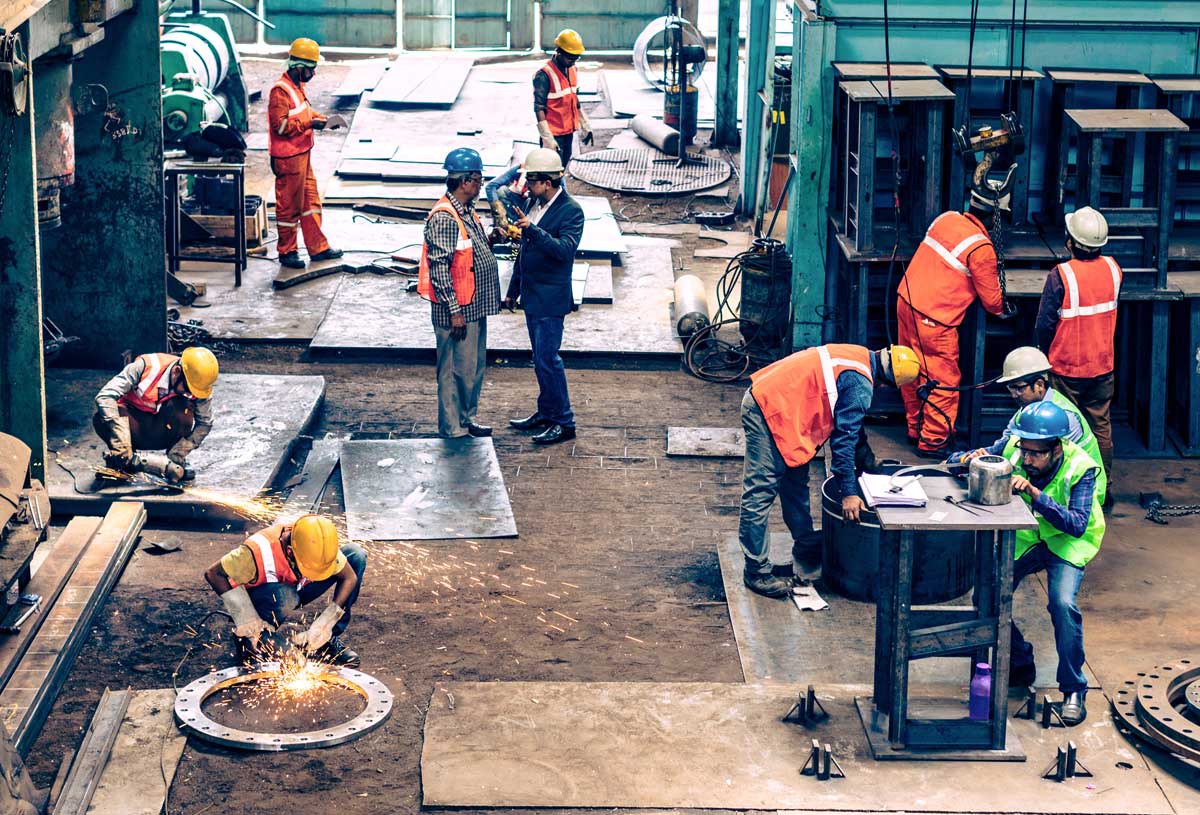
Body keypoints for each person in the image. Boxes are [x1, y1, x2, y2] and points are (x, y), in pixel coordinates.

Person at [738, 344, 920, 598]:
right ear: (886, 385)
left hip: (789, 408)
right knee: (761, 490)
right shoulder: (861, 384)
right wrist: (848, 492)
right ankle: (756, 570)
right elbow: (843, 440)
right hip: (768, 408)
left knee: (795, 483)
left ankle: (805, 544)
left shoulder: (859, 356)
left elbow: (851, 424)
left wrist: (868, 461)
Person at [1001, 401, 1104, 725]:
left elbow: (1075, 523)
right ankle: (1019, 664)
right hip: (1031, 537)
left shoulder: (1081, 467)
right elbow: (986, 453)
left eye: (1036, 454)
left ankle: (1074, 690)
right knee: (989, 595)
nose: (1026, 459)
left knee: (1062, 605)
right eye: (1024, 450)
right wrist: (967, 459)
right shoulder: (1018, 450)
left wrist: (1033, 493)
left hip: (1066, 541)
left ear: (1056, 448)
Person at [896, 192, 1006, 456]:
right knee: (942, 379)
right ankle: (934, 441)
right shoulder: (981, 249)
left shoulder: (945, 219)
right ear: (995, 215)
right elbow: (993, 302)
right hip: (935, 319)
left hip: (906, 301)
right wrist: (1005, 309)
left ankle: (915, 430)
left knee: (910, 370)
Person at [947, 346, 1106, 505]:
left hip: (1081, 495)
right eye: (1011, 387)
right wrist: (966, 459)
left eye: (1019, 388)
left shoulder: (1064, 418)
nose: (1013, 394)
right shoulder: (1026, 413)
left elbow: (1046, 468)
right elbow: (1003, 448)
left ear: (1039, 385)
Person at [502, 148, 585, 445]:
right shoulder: (534, 204)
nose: (528, 187)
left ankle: (564, 421)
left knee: (549, 360)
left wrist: (533, 230)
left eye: (533, 181)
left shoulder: (571, 211)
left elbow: (564, 251)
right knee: (539, 360)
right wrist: (513, 289)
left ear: (548, 181)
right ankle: (546, 411)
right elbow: (523, 252)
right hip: (533, 296)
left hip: (551, 298)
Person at [204, 514, 366, 667]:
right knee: (284, 595)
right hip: (265, 600)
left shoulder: (318, 545)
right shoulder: (256, 551)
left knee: (355, 555)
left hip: (297, 589)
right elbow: (213, 573)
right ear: (290, 551)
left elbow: (349, 577)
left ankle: (325, 641)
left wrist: (326, 624)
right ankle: (250, 642)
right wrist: (245, 617)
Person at [1036, 206, 1121, 496]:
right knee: (1100, 426)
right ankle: (1103, 487)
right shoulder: (1114, 269)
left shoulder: (1061, 276)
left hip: (1067, 368)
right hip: (1102, 365)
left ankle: (1063, 488)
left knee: (1062, 427)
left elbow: (1044, 325)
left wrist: (1041, 355)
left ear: (1070, 241)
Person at [418, 147, 502, 439]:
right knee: (454, 373)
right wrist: (454, 310)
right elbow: (439, 267)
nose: (480, 185)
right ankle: (453, 429)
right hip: (458, 310)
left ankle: (466, 420)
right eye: (478, 179)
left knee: (471, 370)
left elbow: (467, 254)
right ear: (465, 181)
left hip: (472, 306)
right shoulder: (444, 217)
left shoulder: (465, 211)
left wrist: (491, 238)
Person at [269, 37, 343, 270]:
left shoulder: (298, 87)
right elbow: (280, 126)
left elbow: (305, 112)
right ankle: (287, 252)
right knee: (289, 207)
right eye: (311, 69)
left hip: (302, 155)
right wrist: (311, 124)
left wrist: (322, 120)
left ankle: (318, 248)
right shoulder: (280, 92)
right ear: (298, 67)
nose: (313, 73)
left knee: (311, 203)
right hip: (288, 159)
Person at [93, 347, 219, 482]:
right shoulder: (146, 366)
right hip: (134, 429)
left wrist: (180, 451)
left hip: (164, 432)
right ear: (177, 371)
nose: (190, 394)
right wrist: (121, 443)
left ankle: (175, 461)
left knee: (184, 409)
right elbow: (105, 396)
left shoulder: (198, 385)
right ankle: (124, 459)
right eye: (188, 389)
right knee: (103, 417)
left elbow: (205, 423)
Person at [533, 29, 593, 168]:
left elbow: (573, 98)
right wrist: (547, 138)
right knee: (550, 171)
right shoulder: (544, 75)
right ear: (559, 52)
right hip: (554, 134)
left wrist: (584, 123)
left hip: (568, 132)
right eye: (570, 58)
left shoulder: (572, 69)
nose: (573, 61)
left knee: (563, 167)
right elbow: (539, 108)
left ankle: (560, 189)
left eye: (576, 58)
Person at [484, 160, 528, 230]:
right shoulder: (521, 168)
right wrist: (500, 214)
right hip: (515, 207)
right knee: (502, 191)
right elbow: (490, 186)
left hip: (532, 213)